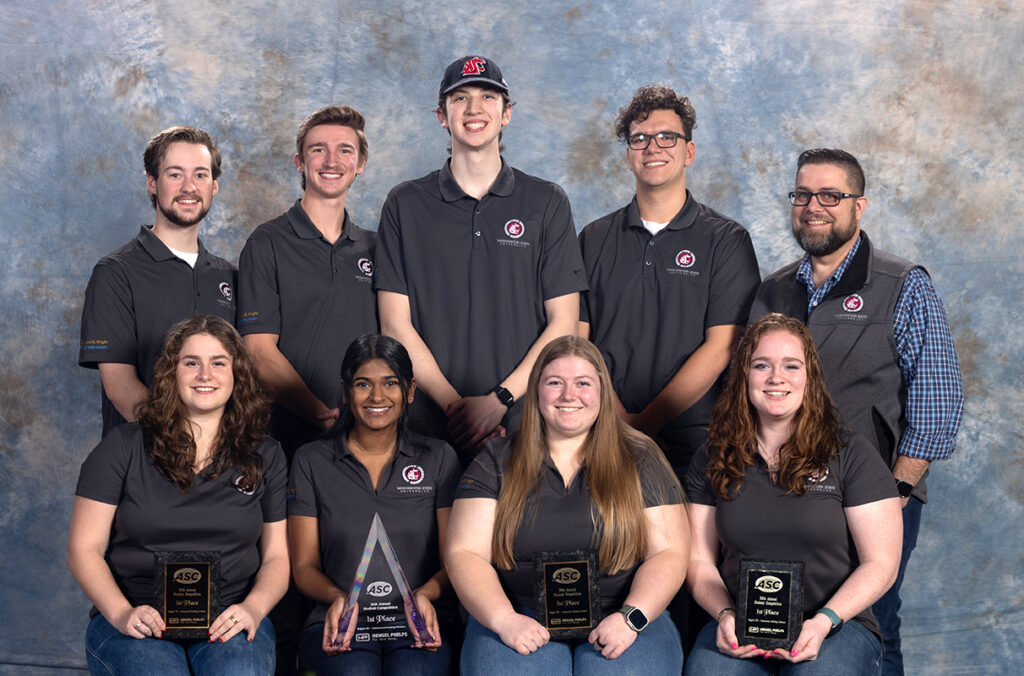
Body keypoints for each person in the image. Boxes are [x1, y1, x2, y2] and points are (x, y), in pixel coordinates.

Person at [747, 149, 964, 675]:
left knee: (873, 624)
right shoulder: (773, 290)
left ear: (858, 206)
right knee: (780, 630)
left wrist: (896, 491)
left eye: (830, 196)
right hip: (784, 498)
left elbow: (938, 403)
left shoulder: (902, 284)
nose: (813, 207)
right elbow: (745, 395)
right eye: (802, 195)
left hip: (876, 497)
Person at [375, 55, 586, 459]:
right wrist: (457, 409)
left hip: (522, 421)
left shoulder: (546, 201)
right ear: (442, 115)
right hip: (428, 425)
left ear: (506, 113)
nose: (474, 108)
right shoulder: (405, 203)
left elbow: (564, 324)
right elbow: (394, 324)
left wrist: (499, 400)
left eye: (488, 96)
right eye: (460, 98)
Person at [447, 335, 689, 674]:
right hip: (520, 614)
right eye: (555, 383)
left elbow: (670, 552)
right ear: (536, 391)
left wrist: (631, 618)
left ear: (603, 392)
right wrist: (504, 619)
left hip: (624, 613)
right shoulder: (495, 459)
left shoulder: (642, 456)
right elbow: (464, 552)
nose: (568, 395)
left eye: (583, 383)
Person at [68, 315, 289, 675]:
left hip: (229, 617)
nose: (205, 375)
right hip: (138, 616)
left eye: (218, 363)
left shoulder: (266, 454)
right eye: (191, 363)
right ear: (171, 372)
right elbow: (83, 549)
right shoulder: (121, 448)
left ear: (238, 374)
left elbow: (277, 557)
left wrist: (254, 608)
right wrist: (121, 613)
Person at [684, 313, 902, 675]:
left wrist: (824, 621)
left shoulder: (852, 454)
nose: (776, 377)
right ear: (743, 375)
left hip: (835, 624)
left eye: (791, 365)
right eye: (761, 365)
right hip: (739, 622)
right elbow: (698, 561)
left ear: (809, 376)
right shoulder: (712, 456)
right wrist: (724, 615)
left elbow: (881, 564)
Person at [579, 83, 760, 479]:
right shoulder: (593, 239)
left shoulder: (726, 240)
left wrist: (644, 425)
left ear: (689, 152)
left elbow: (721, 347)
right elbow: (579, 342)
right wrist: (616, 422)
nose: (652, 147)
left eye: (667, 137)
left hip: (696, 446)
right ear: (628, 156)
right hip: (602, 435)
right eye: (640, 139)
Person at [288, 334, 460, 675]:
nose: (377, 396)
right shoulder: (311, 461)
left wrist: (425, 595)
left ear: (410, 391)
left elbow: (454, 561)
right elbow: (304, 567)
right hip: (339, 619)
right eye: (363, 384)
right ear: (346, 391)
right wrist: (337, 598)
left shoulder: (439, 457)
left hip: (419, 621)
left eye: (390, 383)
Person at [237, 105, 378, 457]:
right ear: (300, 162)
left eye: (345, 150)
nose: (332, 161)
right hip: (289, 440)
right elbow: (258, 351)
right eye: (318, 150)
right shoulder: (267, 242)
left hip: (369, 436)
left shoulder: (377, 248)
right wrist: (321, 414)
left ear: (360, 163)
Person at [80, 126, 236, 437]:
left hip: (222, 458)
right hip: (146, 454)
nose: (189, 187)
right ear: (152, 183)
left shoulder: (229, 276)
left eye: (201, 175)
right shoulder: (115, 272)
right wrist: (186, 443)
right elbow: (120, 386)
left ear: (214, 185)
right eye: (175, 174)